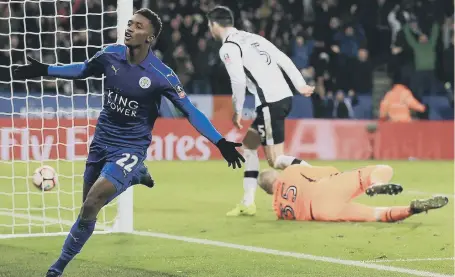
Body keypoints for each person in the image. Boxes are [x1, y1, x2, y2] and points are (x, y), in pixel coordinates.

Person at [13, 9, 245, 277]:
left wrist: (220, 141)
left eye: (138, 26)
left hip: (131, 147)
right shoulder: (110, 54)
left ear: (150, 37)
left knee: (92, 202)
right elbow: (83, 70)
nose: (130, 28)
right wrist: (45, 69)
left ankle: (57, 268)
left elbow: (190, 110)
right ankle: (135, 176)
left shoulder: (161, 74)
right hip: (101, 141)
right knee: (87, 209)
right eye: (130, 23)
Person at [206, 6, 315, 217]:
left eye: (209, 25)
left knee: (276, 159)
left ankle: (320, 179)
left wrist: (237, 110)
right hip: (283, 96)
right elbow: (282, 57)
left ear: (214, 25)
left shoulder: (228, 47)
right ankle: (248, 202)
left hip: (270, 102)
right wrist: (300, 85)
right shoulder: (251, 37)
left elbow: (237, 79)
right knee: (248, 146)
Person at [258, 164, 448, 222]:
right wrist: (337, 176)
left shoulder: (278, 210)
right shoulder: (289, 172)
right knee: (380, 169)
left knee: (375, 215)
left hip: (321, 213)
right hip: (325, 189)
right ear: (276, 174)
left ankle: (411, 209)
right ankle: (374, 183)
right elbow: (325, 171)